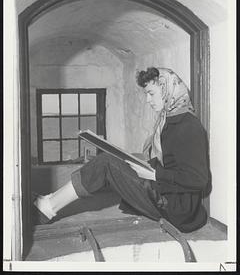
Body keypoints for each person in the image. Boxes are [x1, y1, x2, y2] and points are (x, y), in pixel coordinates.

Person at [33, 67, 211, 233]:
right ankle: (50, 199)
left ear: (167, 90)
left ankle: (49, 207)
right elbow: (169, 161)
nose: (148, 100)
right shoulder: (169, 118)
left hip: (177, 208)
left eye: (151, 94)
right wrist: (140, 164)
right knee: (118, 158)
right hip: (167, 192)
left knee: (105, 163)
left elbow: (199, 180)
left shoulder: (188, 126)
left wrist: (154, 175)